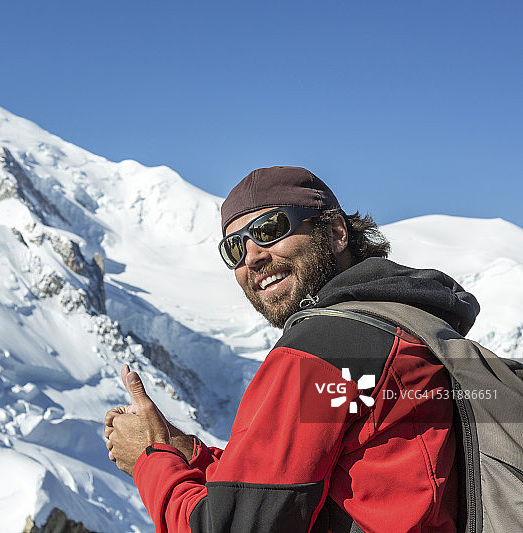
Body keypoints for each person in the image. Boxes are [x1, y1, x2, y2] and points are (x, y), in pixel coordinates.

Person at [104, 166, 475, 532]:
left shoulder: (326, 350)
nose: (251, 257)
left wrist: (150, 458)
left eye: (269, 230)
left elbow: (232, 526)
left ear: (335, 231)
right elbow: (284, 487)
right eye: (234, 248)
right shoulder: (397, 327)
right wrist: (183, 450)